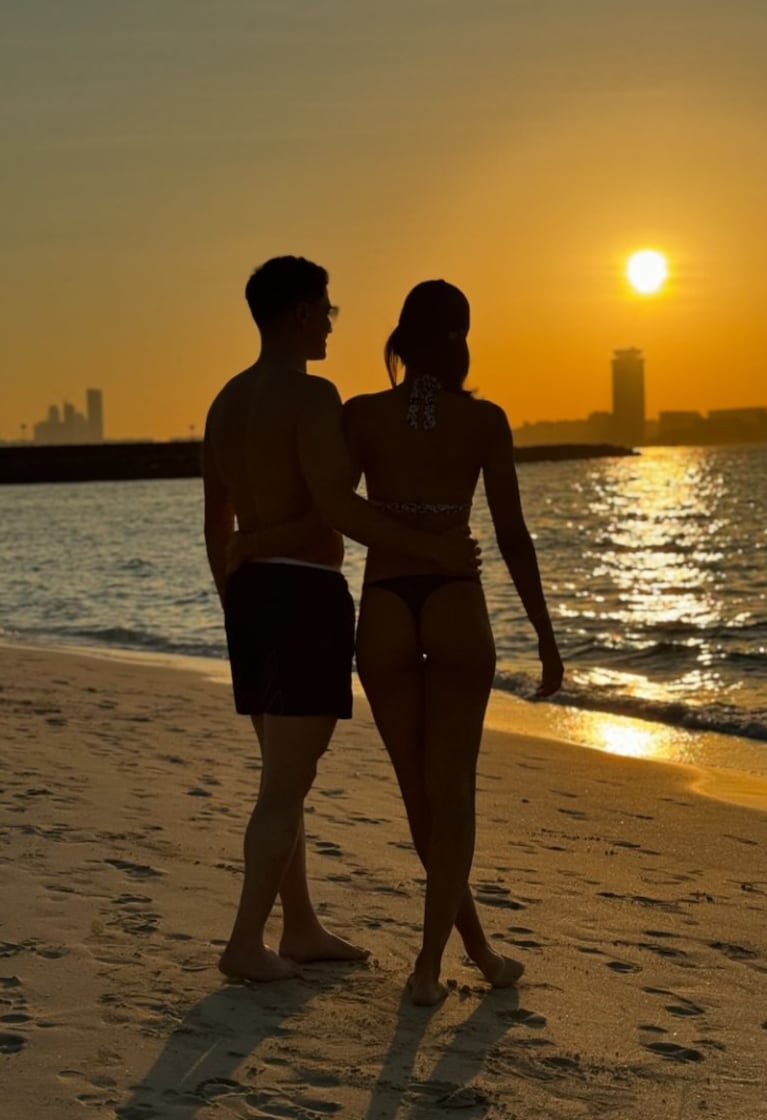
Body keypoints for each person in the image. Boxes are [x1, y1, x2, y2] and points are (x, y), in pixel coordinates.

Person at [203, 257, 479, 984]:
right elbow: (336, 507)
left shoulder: (225, 402)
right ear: (298, 313)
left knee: (281, 776)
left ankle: (299, 927)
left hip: (251, 599)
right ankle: (242, 943)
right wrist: (432, 547)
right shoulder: (310, 394)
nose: (331, 320)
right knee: (284, 788)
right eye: (325, 308)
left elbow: (216, 520)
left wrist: (234, 589)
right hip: (300, 599)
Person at [340, 280, 564, 1005]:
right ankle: (430, 967)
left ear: (400, 340)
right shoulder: (483, 420)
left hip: (382, 604)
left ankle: (473, 955)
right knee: (453, 794)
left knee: (418, 797)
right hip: (455, 604)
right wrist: (544, 635)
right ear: (461, 340)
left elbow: (337, 506)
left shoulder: (362, 415)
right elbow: (510, 535)